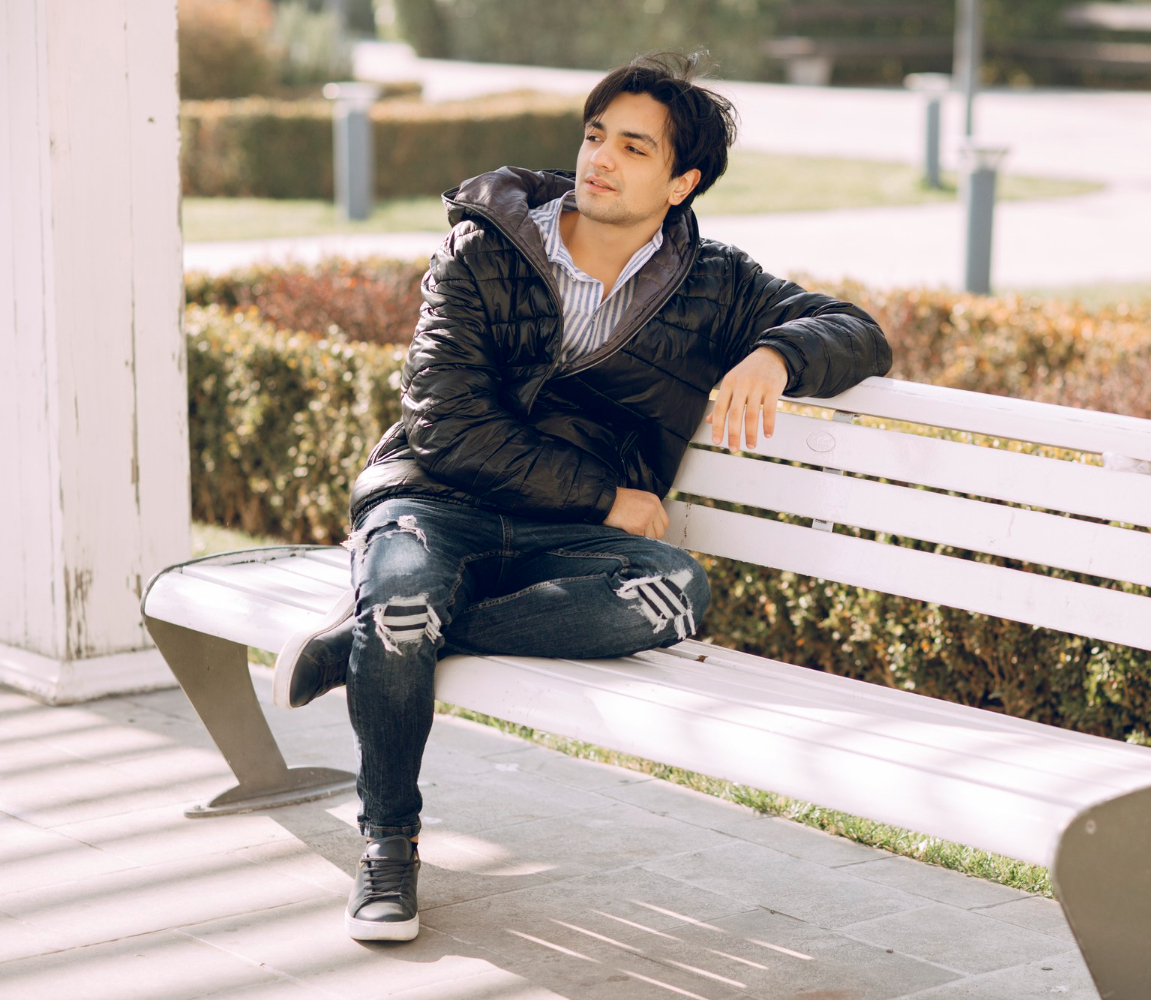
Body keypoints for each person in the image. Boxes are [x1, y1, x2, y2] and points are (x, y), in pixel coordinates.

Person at [272, 52, 890, 943]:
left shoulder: (714, 283)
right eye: (595, 135)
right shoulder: (482, 248)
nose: (599, 157)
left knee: (673, 592)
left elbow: (860, 331)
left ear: (682, 182)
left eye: (634, 148)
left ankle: (384, 637)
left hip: (563, 541)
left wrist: (777, 352)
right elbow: (446, 424)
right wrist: (605, 497)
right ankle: (390, 843)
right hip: (434, 499)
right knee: (406, 591)